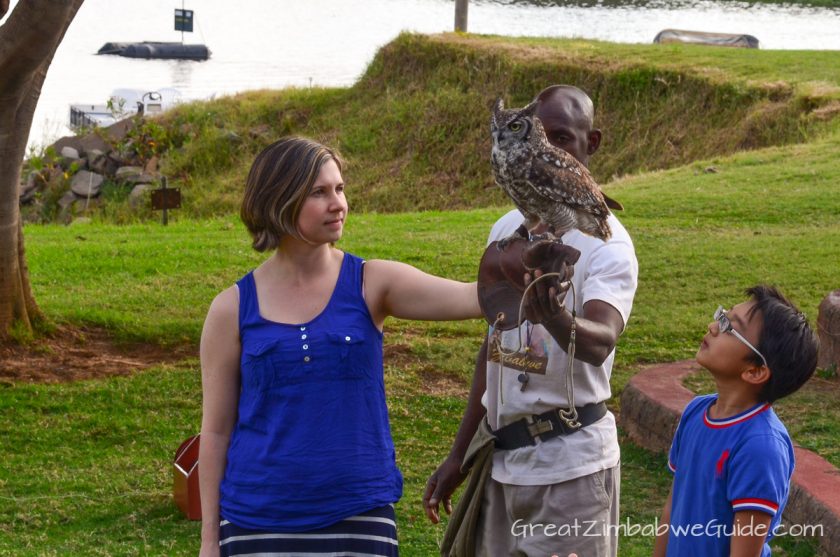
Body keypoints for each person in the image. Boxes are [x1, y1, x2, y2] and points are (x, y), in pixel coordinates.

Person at [198, 136, 485, 557]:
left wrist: (540, 254)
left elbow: (473, 298)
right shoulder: (231, 309)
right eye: (319, 192)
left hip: (358, 514)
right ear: (279, 200)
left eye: (340, 188)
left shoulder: (372, 283)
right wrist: (209, 541)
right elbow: (217, 431)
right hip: (255, 520)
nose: (338, 204)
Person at [423, 85, 638, 556]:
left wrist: (556, 317)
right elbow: (494, 340)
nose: (544, 150)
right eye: (536, 133)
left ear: (590, 144)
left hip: (571, 467)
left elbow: (601, 340)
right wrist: (459, 453)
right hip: (504, 462)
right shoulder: (507, 230)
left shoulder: (609, 247)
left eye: (559, 137)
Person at [652, 286, 818, 557]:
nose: (713, 327)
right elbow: (673, 507)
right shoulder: (696, 412)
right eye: (721, 316)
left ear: (755, 371)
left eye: (729, 326)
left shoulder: (760, 447)